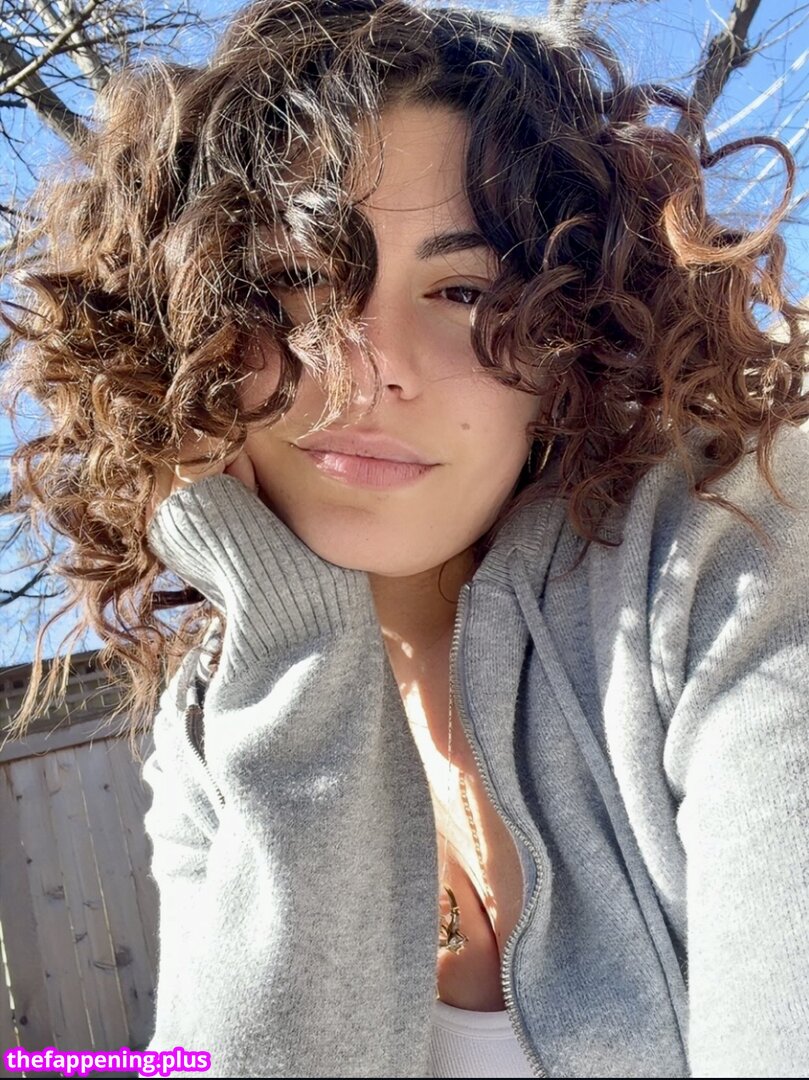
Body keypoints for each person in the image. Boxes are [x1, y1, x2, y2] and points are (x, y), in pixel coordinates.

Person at [2, 1, 808, 1077]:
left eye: (463, 291)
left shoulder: (733, 553)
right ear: (183, 337)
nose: (362, 367)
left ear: (571, 339)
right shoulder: (208, 732)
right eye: (295, 282)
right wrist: (298, 643)